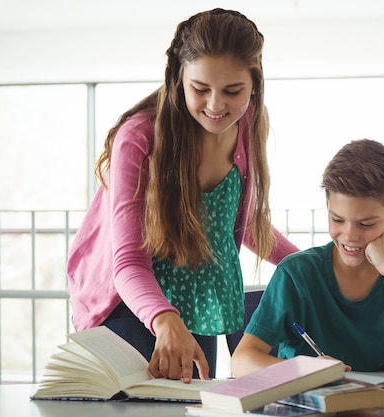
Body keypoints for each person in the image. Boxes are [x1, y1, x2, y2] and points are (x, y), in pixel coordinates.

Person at [66, 8, 299, 383]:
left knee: (195, 403)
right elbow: (126, 262)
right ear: (178, 78)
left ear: (255, 84)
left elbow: (233, 223)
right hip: (129, 303)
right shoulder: (140, 137)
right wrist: (164, 318)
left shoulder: (251, 122)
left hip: (198, 303)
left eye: (233, 91)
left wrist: (308, 265)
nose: (215, 106)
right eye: (200, 89)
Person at [231, 139, 384, 380]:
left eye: (366, 224)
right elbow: (242, 361)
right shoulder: (297, 274)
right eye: (337, 220)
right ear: (327, 207)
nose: (350, 235)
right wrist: (303, 370)